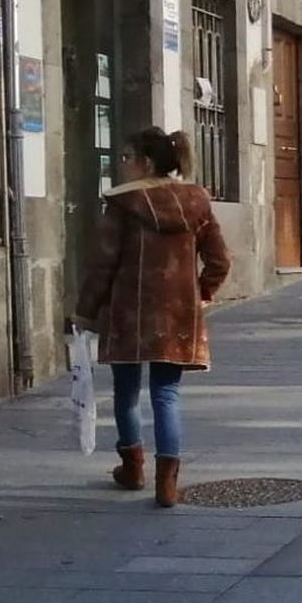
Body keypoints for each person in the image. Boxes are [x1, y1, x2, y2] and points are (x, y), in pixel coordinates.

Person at [75, 127, 230, 508]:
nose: (123, 164)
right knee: (166, 394)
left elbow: (103, 265)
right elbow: (220, 260)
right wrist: (201, 293)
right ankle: (167, 485)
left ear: (145, 162)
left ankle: (132, 469)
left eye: (127, 157)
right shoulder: (196, 202)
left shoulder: (124, 206)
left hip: (129, 312)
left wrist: (86, 310)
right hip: (177, 314)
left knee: (126, 393)